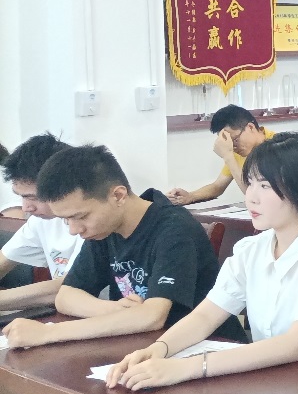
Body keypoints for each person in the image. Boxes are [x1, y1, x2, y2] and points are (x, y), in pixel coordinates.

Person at [105, 134, 298, 390]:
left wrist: (187, 368)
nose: (251, 196)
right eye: (250, 183)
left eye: (265, 186)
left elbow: (296, 343)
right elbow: (206, 315)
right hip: (268, 375)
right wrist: (158, 350)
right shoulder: (251, 249)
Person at [2, 145, 245, 350]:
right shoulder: (104, 230)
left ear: (118, 196)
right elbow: (66, 296)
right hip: (141, 345)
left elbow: (152, 316)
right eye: (66, 220)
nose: (74, 230)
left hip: (209, 349)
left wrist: (48, 333)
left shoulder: (174, 229)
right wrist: (114, 310)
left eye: (80, 217)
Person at [0, 134, 79, 312]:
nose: (26, 208)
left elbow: (69, 287)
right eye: (21, 197)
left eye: (33, 197)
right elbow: (4, 260)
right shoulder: (42, 220)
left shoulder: (91, 222)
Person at [167, 104, 272, 205]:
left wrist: (228, 156)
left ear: (250, 127)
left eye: (235, 140)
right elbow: (218, 186)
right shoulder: (239, 151)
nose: (233, 147)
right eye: (229, 143)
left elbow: (253, 194)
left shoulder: (277, 146)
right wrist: (190, 196)